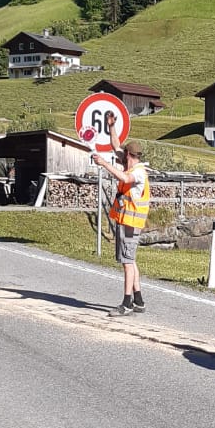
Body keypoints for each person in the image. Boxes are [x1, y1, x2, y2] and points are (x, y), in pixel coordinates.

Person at [93, 123, 150, 316]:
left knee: (127, 262)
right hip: (127, 221)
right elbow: (115, 144)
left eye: (123, 154)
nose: (120, 156)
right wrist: (111, 126)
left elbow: (125, 179)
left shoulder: (138, 172)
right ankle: (139, 301)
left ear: (128, 155)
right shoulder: (130, 164)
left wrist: (104, 163)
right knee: (130, 260)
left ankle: (127, 303)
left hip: (130, 224)